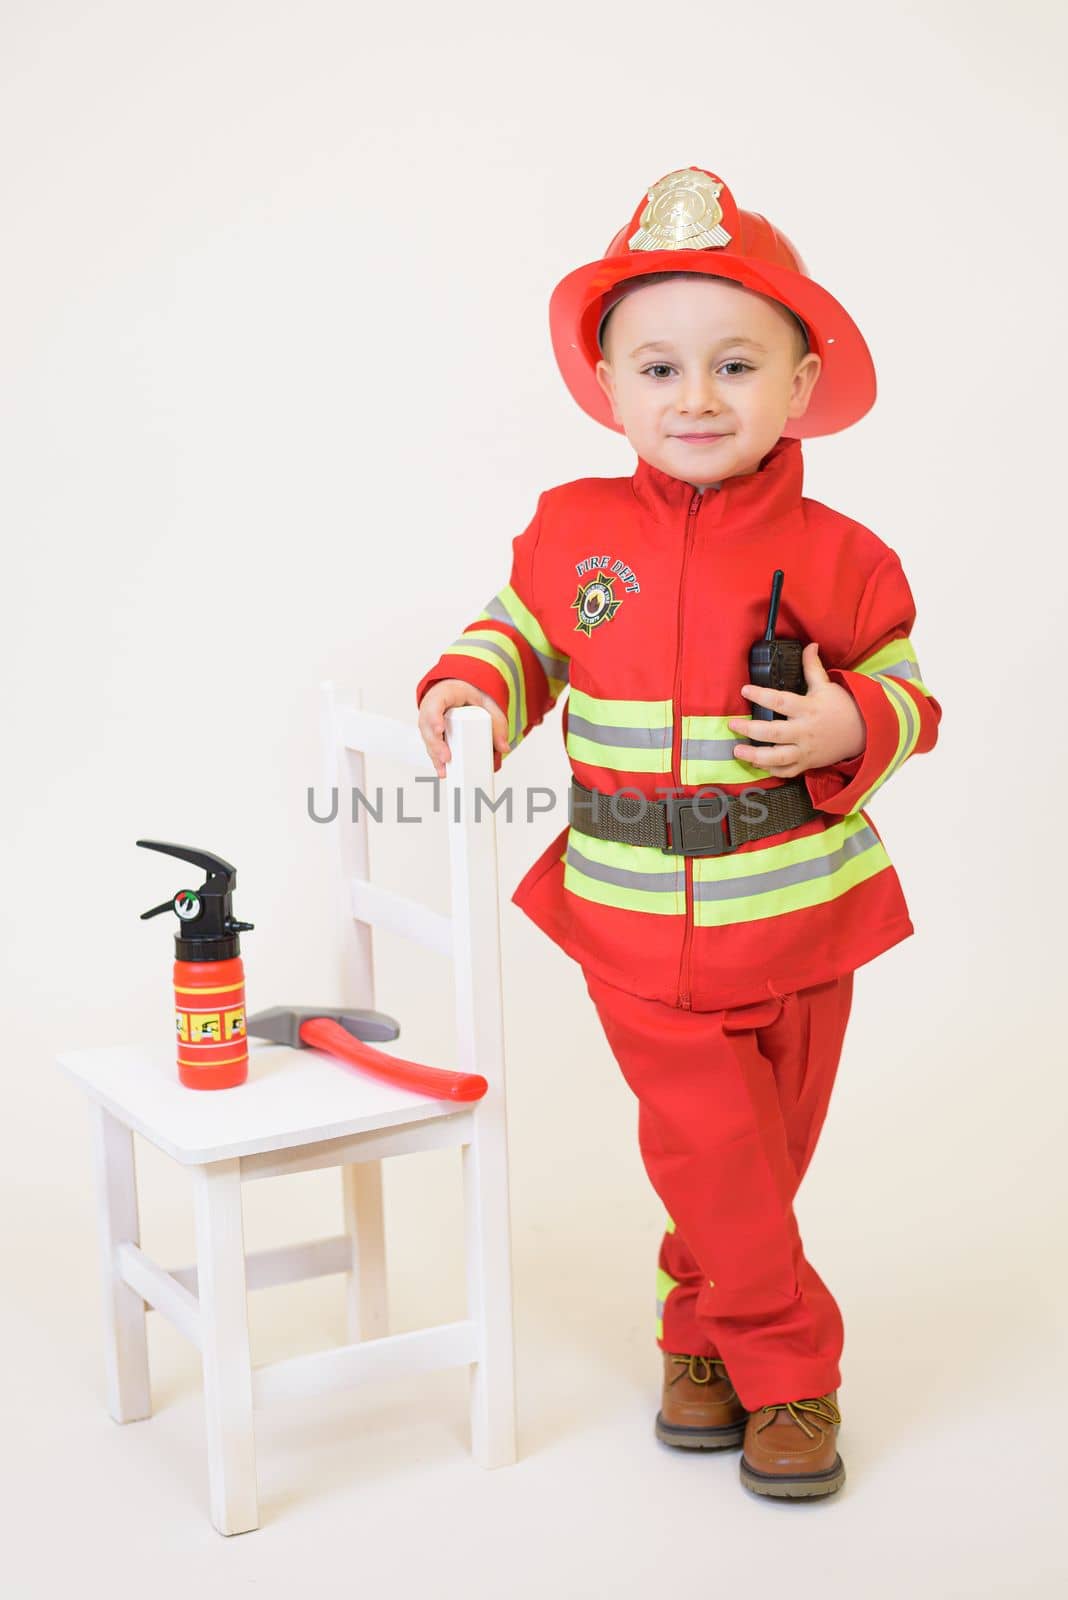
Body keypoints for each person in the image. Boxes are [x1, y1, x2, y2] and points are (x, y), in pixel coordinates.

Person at [415, 166, 941, 1500]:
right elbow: (519, 639)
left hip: (805, 909)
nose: (696, 397)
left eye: (734, 364)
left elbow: (909, 693)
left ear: (800, 379)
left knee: (756, 1160)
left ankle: (692, 1331)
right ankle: (789, 1370)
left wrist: (853, 728)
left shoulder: (848, 556)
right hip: (633, 916)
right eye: (658, 367)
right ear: (608, 384)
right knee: (707, 1143)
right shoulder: (573, 533)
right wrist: (471, 689)